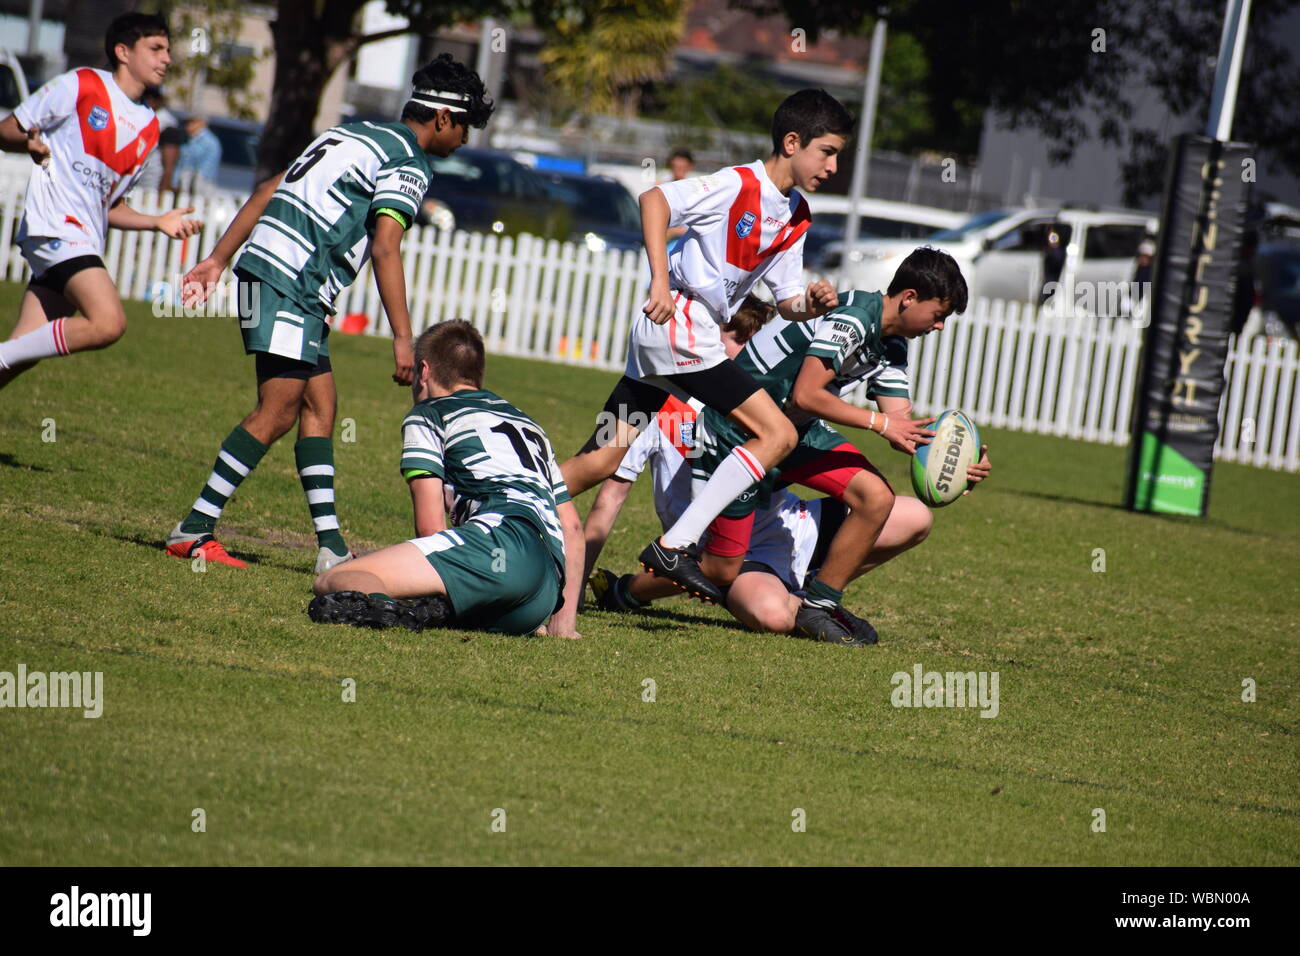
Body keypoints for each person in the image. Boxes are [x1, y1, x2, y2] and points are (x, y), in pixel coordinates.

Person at [164, 54, 493, 572]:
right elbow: (387, 247)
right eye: (466, 127)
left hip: (273, 273)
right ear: (444, 118)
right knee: (277, 411)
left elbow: (266, 190)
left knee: (321, 407)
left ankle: (331, 547)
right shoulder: (409, 161)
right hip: (292, 280)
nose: (465, 140)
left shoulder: (352, 135)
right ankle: (194, 528)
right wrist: (403, 338)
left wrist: (216, 260)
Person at [560, 89, 854, 605]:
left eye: (838, 156)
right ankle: (677, 544)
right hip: (681, 326)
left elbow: (786, 301)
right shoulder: (737, 183)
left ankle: (499, 497)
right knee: (777, 432)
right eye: (826, 151)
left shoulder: (797, 214)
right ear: (792, 142)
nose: (833, 166)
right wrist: (657, 280)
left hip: (673, 337)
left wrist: (813, 302)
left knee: (603, 459)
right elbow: (654, 199)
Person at [673, 248, 987, 642]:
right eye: (938, 315)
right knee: (720, 569)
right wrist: (879, 423)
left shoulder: (892, 346)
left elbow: (902, 423)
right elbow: (806, 395)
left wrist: (957, 460)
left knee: (875, 496)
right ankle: (630, 589)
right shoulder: (854, 317)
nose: (939, 326)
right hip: (738, 433)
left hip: (793, 434)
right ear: (909, 297)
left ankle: (819, 604)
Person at [309, 320, 584, 638]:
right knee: (459, 602)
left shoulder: (431, 414)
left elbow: (430, 527)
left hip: (500, 542)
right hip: (543, 589)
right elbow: (573, 529)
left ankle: (393, 613)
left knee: (335, 578)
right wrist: (563, 626)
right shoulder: (528, 424)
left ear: (423, 371)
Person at [0, 12, 203, 391]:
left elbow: (109, 206)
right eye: (156, 48)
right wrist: (25, 141)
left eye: (169, 50)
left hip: (83, 240)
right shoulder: (83, 84)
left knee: (18, 356)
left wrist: (157, 221)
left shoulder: (149, 125)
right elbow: (6, 130)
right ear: (123, 52)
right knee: (109, 323)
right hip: (56, 228)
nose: (167, 59)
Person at [135, 85, 185, 195]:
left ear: (160, 99)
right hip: (133, 177)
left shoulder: (166, 122)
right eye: (147, 96)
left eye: (154, 97)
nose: (150, 100)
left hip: (151, 182)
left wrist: (163, 192)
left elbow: (169, 166)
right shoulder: (139, 114)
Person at [176, 114, 221, 196]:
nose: (188, 126)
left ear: (202, 123)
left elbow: (207, 169)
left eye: (192, 122)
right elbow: (180, 163)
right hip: (183, 183)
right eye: (187, 123)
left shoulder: (210, 142)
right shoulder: (186, 138)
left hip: (200, 186)